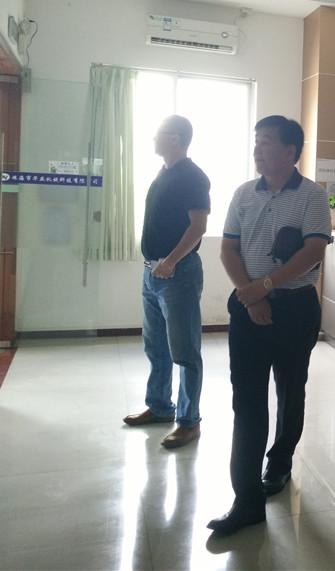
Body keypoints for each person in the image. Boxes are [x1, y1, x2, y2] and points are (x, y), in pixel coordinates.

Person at [208, 115, 331, 536]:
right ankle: (246, 500)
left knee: (290, 390)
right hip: (248, 309)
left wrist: (265, 286)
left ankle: (279, 463)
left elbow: (314, 250)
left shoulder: (313, 196)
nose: (257, 149)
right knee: (246, 400)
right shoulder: (243, 193)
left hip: (295, 309)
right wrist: (252, 295)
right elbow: (228, 249)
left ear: (290, 151)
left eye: (266, 142)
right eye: (256, 141)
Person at [123, 115, 210, 450]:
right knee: (156, 346)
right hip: (152, 273)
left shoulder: (193, 176)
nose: (153, 139)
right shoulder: (164, 172)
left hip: (178, 273)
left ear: (175, 138)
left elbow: (198, 226)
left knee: (185, 351)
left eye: (158, 134)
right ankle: (160, 406)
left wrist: (171, 261)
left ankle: (189, 422)